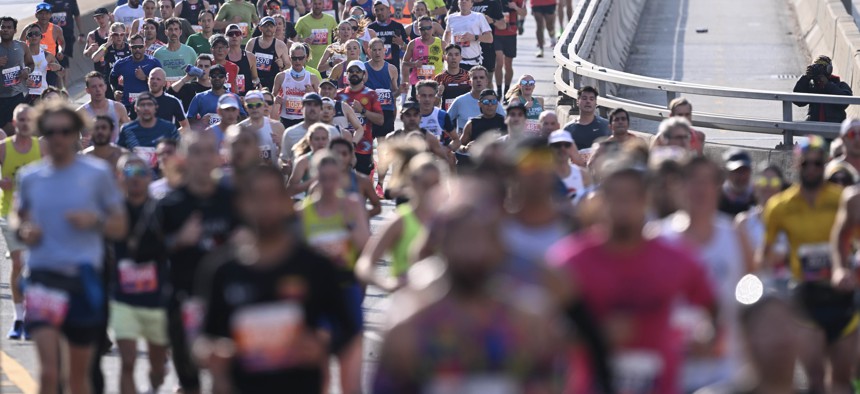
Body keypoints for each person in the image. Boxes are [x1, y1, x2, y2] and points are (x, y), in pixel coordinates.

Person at [373, 177, 563, 393]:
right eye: (463, 238)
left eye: (484, 237)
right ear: (442, 242)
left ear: (500, 245)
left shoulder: (530, 325)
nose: (475, 251)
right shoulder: (409, 329)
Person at [548, 154, 718, 393]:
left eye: (631, 197)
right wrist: (593, 334)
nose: (623, 206)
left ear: (646, 201)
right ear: (601, 201)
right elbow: (543, 332)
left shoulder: (676, 259)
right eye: (615, 197)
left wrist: (705, 337)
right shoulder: (570, 261)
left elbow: (713, 308)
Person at [195, 164, 360, 393]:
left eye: (272, 196)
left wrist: (322, 345)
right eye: (256, 197)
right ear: (242, 204)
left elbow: (347, 331)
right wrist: (217, 353)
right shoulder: (221, 270)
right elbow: (204, 340)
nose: (265, 206)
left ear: (286, 203)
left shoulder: (316, 267)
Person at [16, 102, 127, 394]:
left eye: (65, 131)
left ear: (78, 133)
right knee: (50, 374)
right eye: (51, 131)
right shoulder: (30, 177)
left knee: (78, 379)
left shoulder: (96, 174)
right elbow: (19, 218)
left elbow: (119, 225)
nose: (58, 138)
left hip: (82, 279)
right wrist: (23, 230)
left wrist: (95, 220)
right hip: (43, 280)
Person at [762, 135, 856, 393]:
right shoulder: (780, 206)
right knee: (814, 380)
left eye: (817, 163)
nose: (812, 169)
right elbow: (766, 256)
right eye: (806, 164)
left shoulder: (842, 199)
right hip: (805, 297)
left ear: (826, 163)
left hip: (842, 295)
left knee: (841, 381)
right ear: (796, 164)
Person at [656, 156, 754, 392]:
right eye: (692, 181)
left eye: (707, 181)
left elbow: (752, 295)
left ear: (718, 187)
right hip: (671, 372)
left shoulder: (736, 236)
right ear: (678, 186)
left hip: (725, 371)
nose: (700, 189)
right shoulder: (658, 238)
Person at [157, 131, 239, 394]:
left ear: (218, 157)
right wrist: (177, 241)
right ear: (183, 158)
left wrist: (246, 243)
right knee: (189, 384)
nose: (204, 158)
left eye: (208, 151)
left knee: (226, 379)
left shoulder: (233, 200)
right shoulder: (169, 204)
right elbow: (141, 252)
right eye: (196, 152)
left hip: (229, 302)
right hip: (184, 303)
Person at [298, 152, 368, 393]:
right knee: (320, 377)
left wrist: (349, 224)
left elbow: (364, 246)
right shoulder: (302, 212)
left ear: (340, 178)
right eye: (323, 177)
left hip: (346, 291)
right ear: (314, 177)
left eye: (333, 178)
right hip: (315, 297)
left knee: (351, 375)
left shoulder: (351, 205)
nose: (328, 184)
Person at [110, 154, 170, 394]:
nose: (134, 179)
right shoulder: (112, 212)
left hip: (157, 299)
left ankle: (155, 384)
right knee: (127, 362)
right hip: (123, 298)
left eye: (140, 173)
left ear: (150, 177)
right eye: (128, 173)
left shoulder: (162, 210)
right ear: (119, 178)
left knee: (157, 367)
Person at [356, 148, 443, 290]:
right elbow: (365, 264)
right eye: (425, 184)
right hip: (406, 303)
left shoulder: (451, 220)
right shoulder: (400, 220)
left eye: (435, 185)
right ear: (413, 183)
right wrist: (387, 284)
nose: (430, 191)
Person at [2, 105, 42, 340]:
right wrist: (0, 183)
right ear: (14, 123)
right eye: (21, 120)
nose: (25, 123)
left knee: (34, 266)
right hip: (9, 213)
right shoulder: (4, 148)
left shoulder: (42, 147)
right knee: (18, 263)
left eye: (29, 120)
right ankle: (19, 319)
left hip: (38, 216)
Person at [337, 60, 384, 175]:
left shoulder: (371, 94)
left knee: (363, 185)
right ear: (346, 74)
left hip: (363, 147)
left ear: (364, 74)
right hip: (342, 148)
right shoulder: (339, 95)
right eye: (351, 71)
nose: (354, 74)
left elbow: (380, 120)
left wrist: (363, 111)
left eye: (358, 71)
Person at [280, 93, 343, 172]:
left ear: (321, 109)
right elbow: (285, 159)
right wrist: (286, 167)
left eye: (316, 105)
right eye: (309, 104)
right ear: (302, 108)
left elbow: (339, 158)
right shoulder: (290, 133)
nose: (312, 108)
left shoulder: (332, 131)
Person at [118, 92, 182, 169]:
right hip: (135, 176)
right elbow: (119, 155)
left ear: (156, 107)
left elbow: (180, 153)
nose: (146, 108)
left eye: (149, 104)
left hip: (162, 176)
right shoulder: (126, 129)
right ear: (135, 108)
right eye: (142, 105)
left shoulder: (169, 128)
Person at [735, 165, 788, 255]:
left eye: (774, 182)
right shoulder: (743, 223)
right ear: (756, 186)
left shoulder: (790, 223)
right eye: (763, 181)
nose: (768, 186)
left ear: (781, 188)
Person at [327, 137, 382, 216]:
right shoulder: (321, 181)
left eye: (344, 154)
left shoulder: (363, 181)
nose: (340, 157)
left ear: (351, 156)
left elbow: (377, 207)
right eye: (336, 153)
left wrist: (360, 217)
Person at [110, 34, 163, 114]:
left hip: (149, 105)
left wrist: (145, 78)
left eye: (140, 46)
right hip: (128, 105)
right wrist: (115, 90)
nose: (137, 49)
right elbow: (112, 78)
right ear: (129, 47)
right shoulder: (121, 63)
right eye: (134, 47)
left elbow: (162, 84)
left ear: (144, 46)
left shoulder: (153, 63)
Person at [793, 55, 853, 123]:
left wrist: (827, 85)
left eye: (821, 67)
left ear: (829, 69)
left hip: (834, 128)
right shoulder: (812, 86)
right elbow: (797, 100)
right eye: (816, 67)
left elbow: (845, 102)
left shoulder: (840, 85)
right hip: (815, 128)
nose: (819, 70)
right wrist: (805, 79)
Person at [0, 17, 34, 135]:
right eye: (3, 27)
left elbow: (30, 63)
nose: (5, 30)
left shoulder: (22, 46)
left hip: (18, 96)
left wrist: (27, 71)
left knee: (21, 131)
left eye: (9, 27)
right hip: (1, 98)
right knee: (3, 135)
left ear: (15, 31)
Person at [274, 43, 321, 127]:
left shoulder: (312, 78)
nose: (297, 61)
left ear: (306, 57)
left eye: (300, 58)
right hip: (285, 119)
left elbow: (321, 101)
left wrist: (313, 93)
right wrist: (276, 99)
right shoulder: (281, 76)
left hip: (306, 120)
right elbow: (272, 98)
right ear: (289, 58)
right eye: (294, 58)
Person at [447, 66, 505, 133]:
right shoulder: (460, 101)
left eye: (481, 77)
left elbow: (506, 122)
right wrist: (455, 138)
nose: (478, 80)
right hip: (465, 142)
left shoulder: (493, 102)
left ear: (487, 81)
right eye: (475, 78)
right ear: (469, 82)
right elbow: (445, 122)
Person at [237, 90, 285, 163]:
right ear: (245, 107)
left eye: (258, 105)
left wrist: (281, 146)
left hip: (271, 172)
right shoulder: (239, 129)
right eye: (250, 106)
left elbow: (286, 157)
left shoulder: (277, 126)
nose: (254, 108)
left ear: (264, 105)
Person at [444, 0, 492, 70]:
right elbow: (447, 33)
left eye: (467, 0)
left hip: (472, 62)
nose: (464, 2)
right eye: (461, 0)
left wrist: (474, 37)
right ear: (458, 3)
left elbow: (490, 38)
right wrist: (445, 48)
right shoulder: (451, 18)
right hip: (455, 63)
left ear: (471, 3)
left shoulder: (479, 16)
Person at [246, 16, 291, 91]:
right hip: (254, 83)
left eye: (271, 26)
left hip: (272, 84)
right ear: (260, 28)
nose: (269, 28)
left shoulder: (280, 45)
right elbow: (246, 62)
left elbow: (288, 65)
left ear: (275, 28)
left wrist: (282, 66)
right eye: (266, 26)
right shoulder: (252, 43)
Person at [549, 130, 591, 205]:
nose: (562, 148)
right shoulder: (542, 176)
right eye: (557, 145)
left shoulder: (583, 175)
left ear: (571, 147)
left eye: (567, 145)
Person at [562, 85, 610, 152]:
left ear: (596, 102)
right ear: (577, 102)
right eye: (584, 98)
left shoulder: (605, 126)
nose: (588, 101)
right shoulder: (569, 129)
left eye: (591, 99)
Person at [401, 16, 443, 92]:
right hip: (418, 84)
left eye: (428, 28)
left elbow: (450, 59)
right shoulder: (413, 44)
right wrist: (414, 64)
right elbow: (404, 63)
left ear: (432, 28)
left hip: (436, 83)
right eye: (422, 29)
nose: (426, 31)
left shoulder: (441, 43)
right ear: (418, 30)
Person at [91, 23, 130, 102]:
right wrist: (107, 44)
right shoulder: (106, 47)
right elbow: (95, 58)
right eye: (116, 34)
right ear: (111, 35)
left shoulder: (129, 48)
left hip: (126, 84)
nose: (119, 37)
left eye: (121, 34)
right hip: (109, 85)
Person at [23, 24, 61, 103]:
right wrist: (23, 80)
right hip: (26, 95)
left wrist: (58, 68)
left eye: (36, 34)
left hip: (42, 95)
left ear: (41, 36)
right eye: (30, 34)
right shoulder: (21, 55)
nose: (34, 36)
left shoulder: (48, 55)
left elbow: (61, 72)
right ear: (26, 38)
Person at [296, 0, 338, 68]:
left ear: (323, 5)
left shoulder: (330, 19)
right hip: (308, 64)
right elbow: (293, 38)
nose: (317, 6)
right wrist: (302, 42)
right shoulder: (302, 20)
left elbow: (338, 35)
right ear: (311, 4)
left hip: (325, 64)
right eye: (315, 4)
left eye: (319, 4)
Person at [368, 0, 408, 72]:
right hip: (374, 69)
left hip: (393, 68)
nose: (379, 12)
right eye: (376, 10)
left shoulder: (397, 26)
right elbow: (365, 50)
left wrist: (402, 43)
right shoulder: (370, 28)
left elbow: (408, 48)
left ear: (389, 10)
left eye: (382, 9)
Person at [719, 148, 756, 216]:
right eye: (737, 171)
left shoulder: (758, 199)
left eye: (745, 171)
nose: (741, 177)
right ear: (727, 173)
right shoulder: (715, 200)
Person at [225, 23, 260, 95]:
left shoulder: (250, 57)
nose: (234, 36)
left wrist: (256, 84)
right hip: (228, 97)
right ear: (225, 37)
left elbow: (255, 78)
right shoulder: (222, 56)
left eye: (237, 33)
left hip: (246, 98)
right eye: (231, 34)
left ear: (241, 36)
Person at [433, 44, 471, 110]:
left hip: (464, 115)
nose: (453, 57)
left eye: (456, 55)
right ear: (444, 57)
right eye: (450, 55)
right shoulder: (439, 78)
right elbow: (433, 105)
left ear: (461, 57)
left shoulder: (468, 76)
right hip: (447, 115)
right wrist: (439, 94)